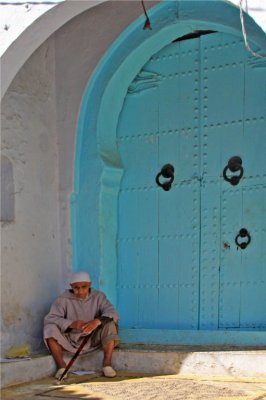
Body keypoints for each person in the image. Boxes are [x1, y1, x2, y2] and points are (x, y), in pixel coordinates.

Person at [44, 271, 119, 379]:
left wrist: (96, 321)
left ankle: (107, 365)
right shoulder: (63, 299)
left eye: (84, 287)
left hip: (91, 337)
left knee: (110, 324)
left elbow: (112, 313)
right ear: (71, 286)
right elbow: (50, 318)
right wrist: (71, 324)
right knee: (49, 329)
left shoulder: (98, 297)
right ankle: (61, 367)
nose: (80, 291)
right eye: (76, 288)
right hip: (70, 338)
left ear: (90, 285)